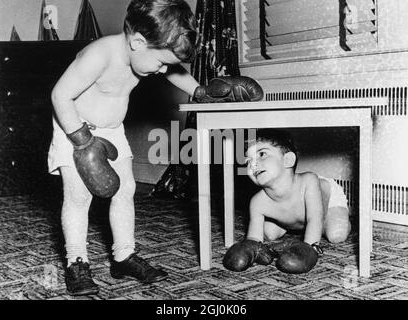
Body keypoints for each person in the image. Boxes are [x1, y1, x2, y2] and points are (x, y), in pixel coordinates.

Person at [48, 0, 263, 296]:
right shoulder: (99, 54)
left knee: (125, 191)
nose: (163, 68)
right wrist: (83, 142)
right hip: (75, 130)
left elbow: (173, 70)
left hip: (112, 130)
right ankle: (76, 262)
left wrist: (199, 91)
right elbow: (60, 95)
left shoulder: (147, 54)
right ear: (137, 41)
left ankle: (123, 256)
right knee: (78, 197)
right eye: (160, 61)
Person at [223, 128, 351, 274]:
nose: (253, 164)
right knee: (268, 234)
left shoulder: (309, 181)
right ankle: (295, 225)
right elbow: (254, 238)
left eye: (262, 154)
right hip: (294, 214)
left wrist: (309, 247)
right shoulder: (257, 202)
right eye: (248, 161)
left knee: (336, 234)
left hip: (327, 202)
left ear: (287, 160)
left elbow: (315, 218)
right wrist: (250, 248)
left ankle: (336, 218)